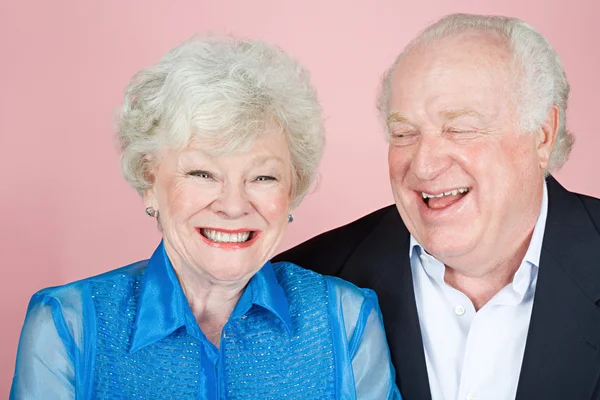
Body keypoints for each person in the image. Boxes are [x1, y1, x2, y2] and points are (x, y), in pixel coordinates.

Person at [10, 36, 400, 399]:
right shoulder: (69, 325)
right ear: (150, 181)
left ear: (292, 191)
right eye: (202, 174)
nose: (233, 206)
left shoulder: (344, 318)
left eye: (263, 177)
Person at [275, 13, 600, 400]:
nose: (424, 165)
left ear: (542, 136)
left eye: (459, 128)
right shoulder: (308, 286)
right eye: (403, 133)